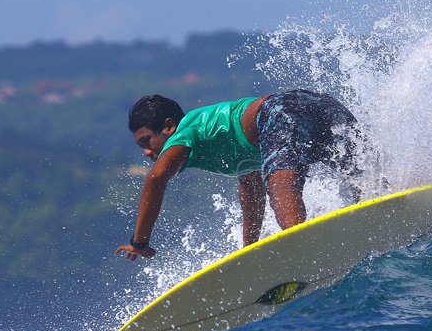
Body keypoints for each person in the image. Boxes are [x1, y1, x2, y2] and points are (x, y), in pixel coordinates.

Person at [115, 89, 366, 260]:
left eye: (146, 141)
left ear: (169, 126)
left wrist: (140, 243)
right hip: (319, 105)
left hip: (280, 110)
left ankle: (303, 252)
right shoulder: (219, 134)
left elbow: (155, 179)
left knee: (280, 186)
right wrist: (250, 250)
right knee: (364, 180)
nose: (147, 152)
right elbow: (252, 189)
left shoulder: (183, 133)